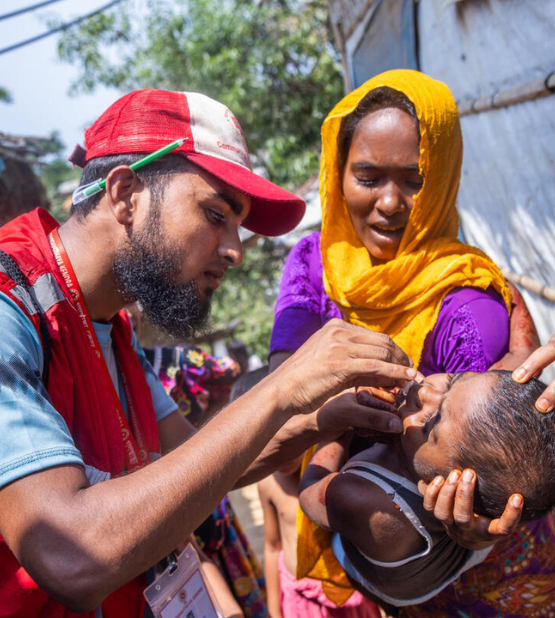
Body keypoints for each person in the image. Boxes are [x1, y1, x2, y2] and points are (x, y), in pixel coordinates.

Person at [0, 89, 418, 618]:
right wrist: (279, 387)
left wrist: (317, 419)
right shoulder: (11, 307)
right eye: (215, 214)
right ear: (125, 192)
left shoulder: (111, 326)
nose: (235, 251)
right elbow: (69, 556)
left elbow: (198, 462)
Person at [269, 69, 547, 616]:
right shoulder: (312, 264)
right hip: (368, 561)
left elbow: (489, 466)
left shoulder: (469, 302)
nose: (391, 203)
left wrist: (325, 416)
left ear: (443, 177)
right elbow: (279, 421)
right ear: (337, 173)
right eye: (368, 176)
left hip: (466, 583)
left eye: (415, 180)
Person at [299, 371, 555, 613]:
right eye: (453, 380)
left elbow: (309, 488)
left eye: (428, 423)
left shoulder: (360, 498)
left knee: (339, 551)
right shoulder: (471, 459)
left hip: (398, 587)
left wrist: (339, 430)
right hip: (464, 552)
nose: (425, 392)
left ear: (450, 488)